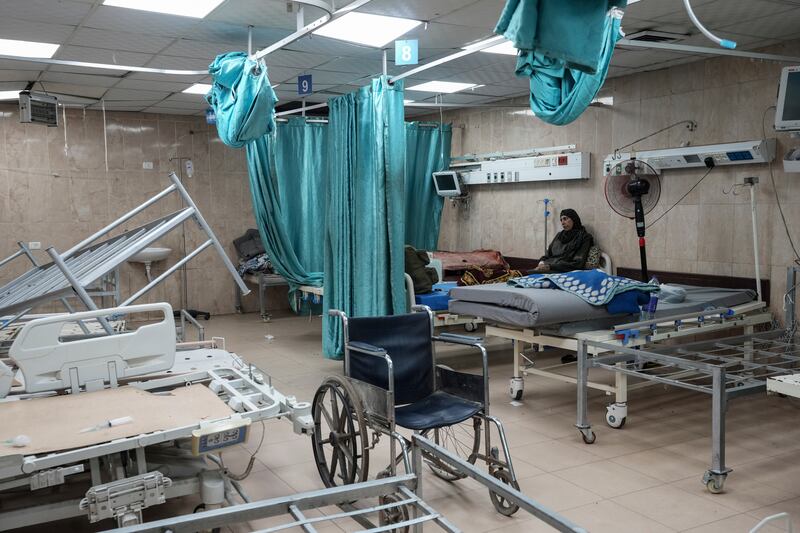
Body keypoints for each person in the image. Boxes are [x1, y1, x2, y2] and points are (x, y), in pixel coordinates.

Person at [534, 208, 594, 273]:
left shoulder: (584, 237)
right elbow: (547, 255)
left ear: (574, 219)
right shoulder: (559, 236)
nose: (562, 223)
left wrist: (550, 267)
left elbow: (578, 263)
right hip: (548, 267)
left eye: (565, 219)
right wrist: (541, 263)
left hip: (563, 270)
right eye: (561, 220)